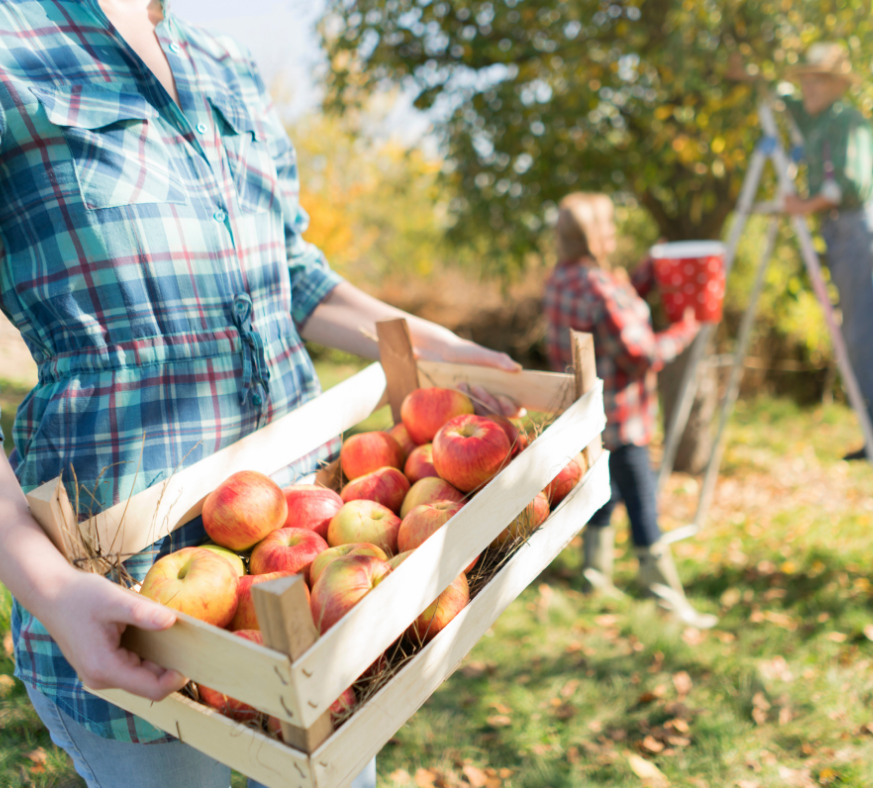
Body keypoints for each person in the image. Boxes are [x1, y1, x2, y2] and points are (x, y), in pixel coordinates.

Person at [0, 1, 519, 787]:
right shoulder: (13, 47)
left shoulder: (225, 64)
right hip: (126, 605)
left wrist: (442, 347)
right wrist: (48, 589)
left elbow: (294, 275)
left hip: (315, 571)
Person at [542, 193, 718, 629]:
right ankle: (666, 599)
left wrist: (645, 273)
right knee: (643, 504)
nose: (615, 233)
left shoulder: (561, 279)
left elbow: (610, 307)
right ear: (594, 236)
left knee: (605, 490)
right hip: (622, 417)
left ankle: (594, 576)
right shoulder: (601, 288)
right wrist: (684, 329)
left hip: (584, 414)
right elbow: (641, 353)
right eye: (610, 226)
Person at [773, 42, 873, 459]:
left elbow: (851, 182)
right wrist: (754, 77)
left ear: (837, 84)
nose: (807, 85)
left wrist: (804, 206)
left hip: (857, 228)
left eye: (817, 78)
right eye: (804, 77)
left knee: (865, 329)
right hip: (852, 230)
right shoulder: (817, 118)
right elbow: (784, 99)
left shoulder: (848, 122)